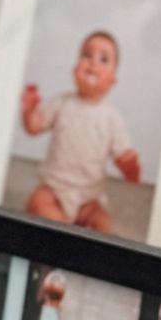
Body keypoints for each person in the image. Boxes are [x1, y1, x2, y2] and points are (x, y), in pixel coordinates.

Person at [20, 30, 140, 232]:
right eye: (87, 55)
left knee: (102, 223)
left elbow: (123, 156)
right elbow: (34, 127)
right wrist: (29, 110)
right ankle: (63, 232)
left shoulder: (112, 118)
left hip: (88, 196)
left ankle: (70, 235)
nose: (93, 62)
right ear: (74, 68)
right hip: (54, 188)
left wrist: (130, 168)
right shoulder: (61, 102)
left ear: (112, 80)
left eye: (103, 59)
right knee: (38, 203)